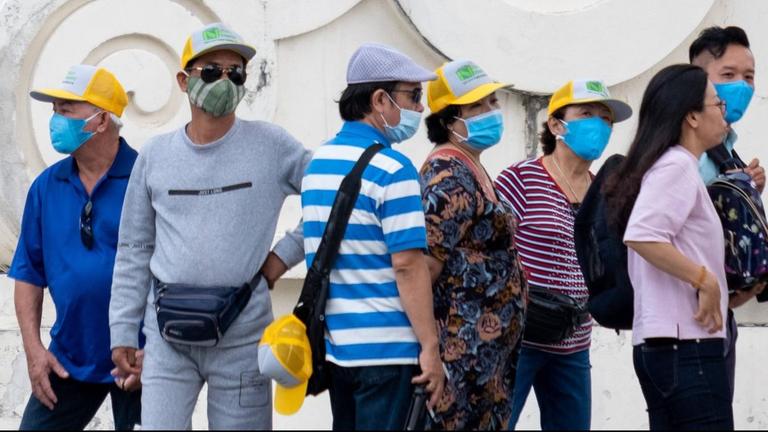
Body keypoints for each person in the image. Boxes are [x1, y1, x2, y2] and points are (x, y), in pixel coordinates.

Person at [109, 22, 311, 429]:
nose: (225, 80)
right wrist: (122, 331)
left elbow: (334, 197)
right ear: (184, 80)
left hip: (242, 335)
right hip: (167, 338)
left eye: (235, 73)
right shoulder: (155, 156)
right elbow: (134, 248)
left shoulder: (272, 146)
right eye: (212, 71)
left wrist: (282, 257)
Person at [300, 42, 445, 430]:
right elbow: (407, 266)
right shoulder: (393, 168)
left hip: (339, 351)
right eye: (413, 96)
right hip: (390, 351)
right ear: (380, 100)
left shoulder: (318, 164)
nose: (420, 109)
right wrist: (430, 347)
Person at [9, 65, 142, 430]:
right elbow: (28, 273)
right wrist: (34, 351)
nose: (55, 118)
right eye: (55, 109)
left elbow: (175, 271)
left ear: (101, 121)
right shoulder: (46, 187)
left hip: (139, 360)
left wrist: (159, 353)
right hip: (69, 356)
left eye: (66, 110)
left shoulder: (147, 177)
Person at [495, 79, 632, 430]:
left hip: (574, 340)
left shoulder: (607, 191)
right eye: (586, 113)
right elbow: (492, 250)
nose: (598, 124)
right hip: (519, 336)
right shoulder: (519, 179)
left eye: (605, 118)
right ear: (557, 124)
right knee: (497, 423)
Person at [602, 63, 732, 430]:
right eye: (716, 104)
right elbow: (643, 235)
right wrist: (703, 280)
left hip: (670, 343)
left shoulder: (670, 166)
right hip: (684, 346)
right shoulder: (675, 166)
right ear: (692, 116)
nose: (724, 113)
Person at [419, 59, 526, 430]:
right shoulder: (447, 174)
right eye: (476, 106)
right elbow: (426, 266)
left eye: (492, 102)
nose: (490, 112)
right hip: (461, 354)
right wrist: (430, 347)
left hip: (487, 359)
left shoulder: (473, 166)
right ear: (449, 119)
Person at [690, 25, 766, 399]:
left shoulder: (725, 150)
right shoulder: (684, 153)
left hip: (720, 315)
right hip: (691, 322)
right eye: (728, 76)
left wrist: (745, 191)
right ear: (697, 81)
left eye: (749, 76)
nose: (741, 86)